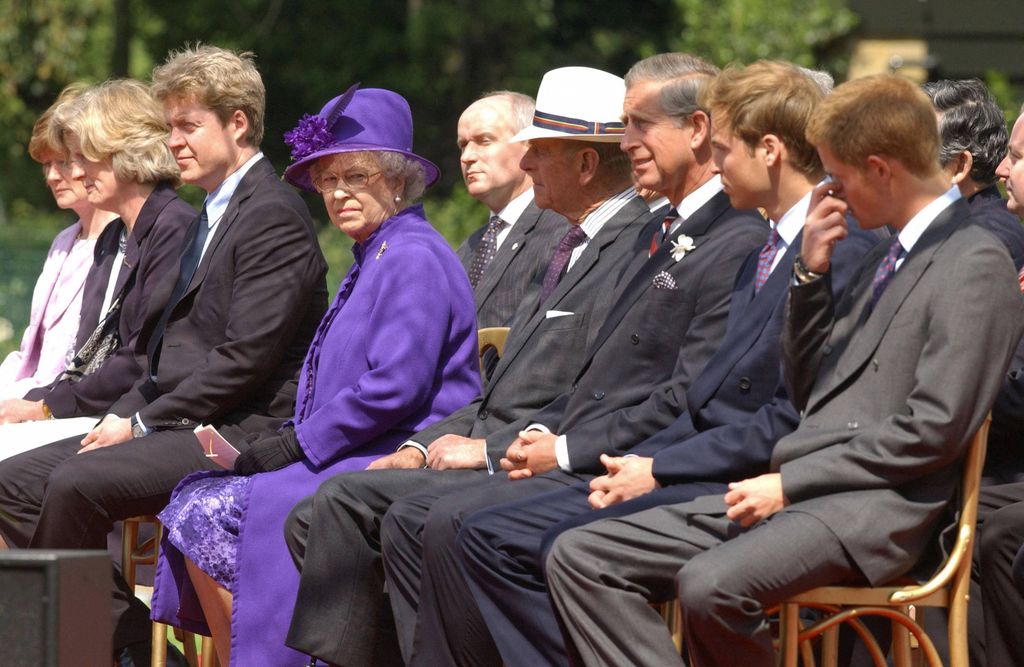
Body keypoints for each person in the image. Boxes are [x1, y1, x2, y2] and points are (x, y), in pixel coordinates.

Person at [543, 73, 1024, 667]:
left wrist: (792, 483)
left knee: (710, 584)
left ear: (880, 170)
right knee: (580, 556)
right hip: (800, 486)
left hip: (876, 510)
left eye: (838, 177)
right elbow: (804, 387)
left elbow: (934, 430)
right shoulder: (887, 248)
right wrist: (811, 277)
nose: (830, 192)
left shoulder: (972, 259)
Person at [456, 59, 878, 667]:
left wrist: (656, 467)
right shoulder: (772, 244)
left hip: (763, 479)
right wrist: (648, 463)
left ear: (768, 152)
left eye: (725, 149)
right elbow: (711, 395)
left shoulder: (825, 248)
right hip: (702, 458)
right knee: (492, 533)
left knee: (560, 551)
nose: (717, 163)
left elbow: (789, 412)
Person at [282, 66, 659, 667]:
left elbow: (594, 392)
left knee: (373, 510)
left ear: (586, 166)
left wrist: (488, 450)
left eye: (535, 151)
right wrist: (419, 444)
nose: (525, 163)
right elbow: (497, 390)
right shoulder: (568, 241)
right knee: (324, 512)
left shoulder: (634, 248)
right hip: (490, 439)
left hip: (542, 455)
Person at [0, 45, 328, 664]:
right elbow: (157, 359)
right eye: (169, 124)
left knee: (72, 484)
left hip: (235, 428)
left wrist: (142, 422)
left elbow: (244, 361)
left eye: (189, 124)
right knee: (14, 483)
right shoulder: (211, 212)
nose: (173, 140)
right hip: (177, 416)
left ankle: (71, 648)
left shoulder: (274, 217)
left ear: (237, 123)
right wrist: (119, 417)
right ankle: (119, 641)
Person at [151, 84, 480, 667]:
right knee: (191, 503)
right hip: (347, 448)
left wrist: (295, 444)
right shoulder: (375, 252)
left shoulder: (412, 255)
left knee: (204, 512)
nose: (337, 194)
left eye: (355, 176)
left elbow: (393, 388)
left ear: (398, 179)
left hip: (390, 454)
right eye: (327, 182)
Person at [0, 79, 193, 461]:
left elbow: (137, 362)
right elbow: (87, 359)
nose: (74, 171)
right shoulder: (114, 237)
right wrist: (37, 403)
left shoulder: (176, 231)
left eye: (82, 156)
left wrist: (42, 407)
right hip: (97, 408)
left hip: (143, 419)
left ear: (127, 151)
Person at [0, 83, 119, 401]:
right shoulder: (64, 241)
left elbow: (86, 361)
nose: (52, 176)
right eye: (46, 164)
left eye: (64, 162)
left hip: (65, 406)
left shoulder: (122, 245)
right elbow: (30, 352)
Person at [455, 91, 565, 328]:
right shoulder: (468, 248)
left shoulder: (563, 232)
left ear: (529, 145)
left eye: (484, 140)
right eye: (463, 145)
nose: (467, 157)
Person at [923, 79, 1024, 271]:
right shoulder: (946, 226)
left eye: (912, 151)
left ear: (960, 166)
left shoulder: (985, 241)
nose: (893, 163)